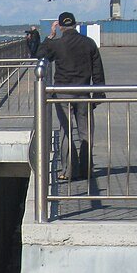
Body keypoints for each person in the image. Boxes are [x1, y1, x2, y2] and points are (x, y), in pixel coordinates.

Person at [36, 11, 105, 180]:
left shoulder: (57, 44)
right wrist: (98, 94)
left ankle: (68, 171)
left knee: (66, 131)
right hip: (83, 92)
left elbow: (39, 54)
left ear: (60, 26)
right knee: (86, 132)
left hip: (62, 93)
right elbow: (97, 71)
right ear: (76, 24)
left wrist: (50, 36)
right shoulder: (89, 43)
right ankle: (86, 169)